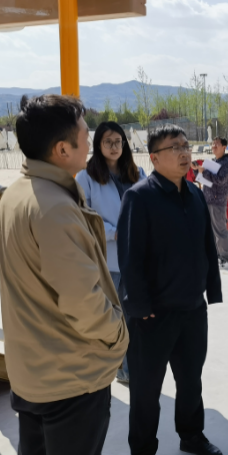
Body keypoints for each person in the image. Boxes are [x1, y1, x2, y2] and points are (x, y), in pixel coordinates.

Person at [0, 95, 128, 455]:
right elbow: (83, 301)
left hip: (33, 369)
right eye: (84, 134)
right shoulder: (54, 207)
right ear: (62, 149)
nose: (89, 142)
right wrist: (118, 336)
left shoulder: (18, 193)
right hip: (71, 378)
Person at [117, 124, 224, 455]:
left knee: (191, 380)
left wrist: (211, 290)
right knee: (146, 388)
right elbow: (130, 257)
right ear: (154, 157)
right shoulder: (139, 197)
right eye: (174, 147)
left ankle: (191, 435)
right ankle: (142, 454)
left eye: (186, 146)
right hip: (153, 315)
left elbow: (207, 246)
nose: (184, 153)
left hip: (192, 309)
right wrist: (139, 306)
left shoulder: (193, 193)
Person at [77, 122, 146, 384]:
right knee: (110, 318)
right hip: (108, 260)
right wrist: (113, 232)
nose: (114, 146)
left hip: (135, 258)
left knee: (134, 316)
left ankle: (128, 368)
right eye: (108, 142)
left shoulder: (136, 172)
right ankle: (112, 368)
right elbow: (82, 215)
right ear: (98, 145)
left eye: (118, 141)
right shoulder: (87, 177)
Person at [197, 136, 228, 268]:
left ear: (224, 147)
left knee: (220, 231)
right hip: (207, 199)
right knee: (211, 231)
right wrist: (199, 172)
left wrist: (204, 172)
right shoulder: (213, 161)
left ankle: (226, 259)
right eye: (213, 144)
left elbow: (220, 180)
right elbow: (207, 178)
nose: (213, 146)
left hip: (217, 200)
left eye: (217, 144)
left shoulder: (227, 163)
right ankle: (217, 256)